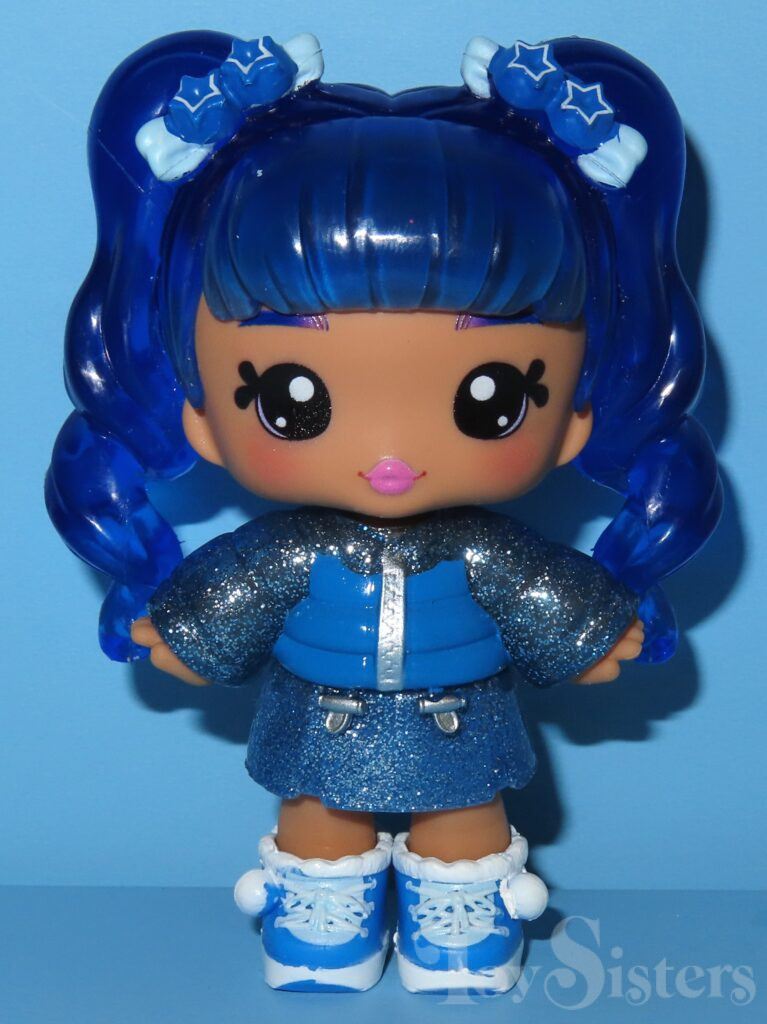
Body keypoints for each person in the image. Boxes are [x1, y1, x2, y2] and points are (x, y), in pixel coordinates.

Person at [46, 30, 721, 993]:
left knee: (466, 815)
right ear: (200, 414)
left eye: (491, 397)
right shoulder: (287, 551)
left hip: (460, 720)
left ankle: (461, 912)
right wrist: (187, 628)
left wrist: (590, 626)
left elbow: (537, 587)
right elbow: (237, 587)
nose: (391, 456)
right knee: (318, 814)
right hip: (319, 722)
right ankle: (323, 911)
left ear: (578, 414)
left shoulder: (484, 551)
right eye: (292, 398)